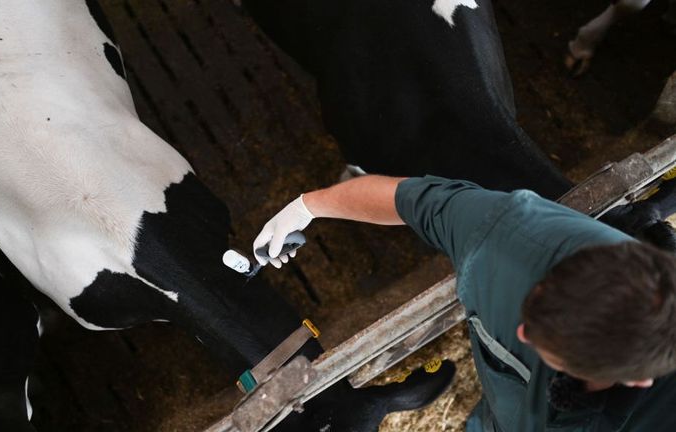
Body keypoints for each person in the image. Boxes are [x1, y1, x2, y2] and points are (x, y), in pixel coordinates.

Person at [252, 175, 676, 431]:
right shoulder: (518, 236)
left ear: (639, 379)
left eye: (558, 349)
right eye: (541, 295)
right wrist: (308, 205)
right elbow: (413, 199)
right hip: (506, 407)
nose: (524, 330)